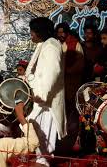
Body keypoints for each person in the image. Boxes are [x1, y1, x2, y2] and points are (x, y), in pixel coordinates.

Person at [25, 17, 66, 166]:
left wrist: (42, 94)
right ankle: (40, 157)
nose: (31, 35)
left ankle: (44, 160)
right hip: (40, 97)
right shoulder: (44, 44)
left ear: (40, 32)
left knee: (44, 132)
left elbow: (53, 71)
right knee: (35, 128)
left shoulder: (52, 46)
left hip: (47, 99)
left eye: (32, 32)